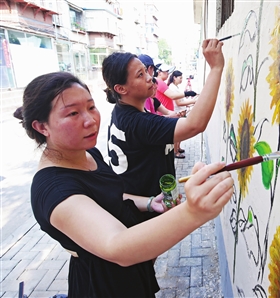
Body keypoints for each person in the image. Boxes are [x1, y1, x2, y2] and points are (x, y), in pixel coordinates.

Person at [15, 71, 234, 297]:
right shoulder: (55, 191)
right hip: (104, 282)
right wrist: (193, 212)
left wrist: (149, 203)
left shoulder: (87, 153)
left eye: (91, 107)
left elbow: (108, 196)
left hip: (130, 270)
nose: (90, 120)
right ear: (42, 127)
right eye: (72, 113)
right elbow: (116, 245)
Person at [102, 38, 225, 220]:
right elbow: (195, 125)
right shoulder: (137, 122)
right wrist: (216, 68)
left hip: (144, 204)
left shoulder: (125, 112)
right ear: (121, 88)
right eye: (140, 75)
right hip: (140, 215)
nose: (149, 77)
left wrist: (172, 118)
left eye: (146, 71)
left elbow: (148, 133)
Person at [167, 70, 197, 158]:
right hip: (178, 114)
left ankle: (178, 148)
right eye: (180, 78)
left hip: (181, 113)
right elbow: (178, 103)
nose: (181, 80)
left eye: (182, 78)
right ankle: (176, 152)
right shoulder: (172, 88)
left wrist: (189, 103)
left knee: (180, 135)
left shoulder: (175, 87)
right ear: (174, 78)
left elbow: (181, 101)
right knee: (177, 135)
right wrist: (193, 101)